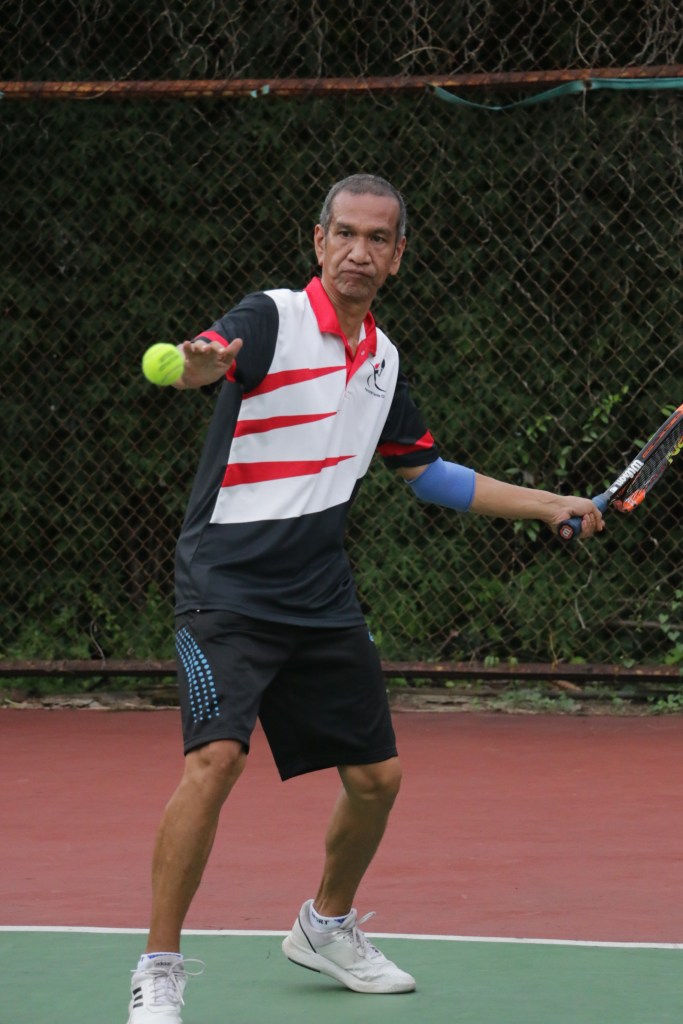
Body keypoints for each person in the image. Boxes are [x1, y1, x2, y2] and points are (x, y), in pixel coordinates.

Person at [126, 173, 603, 1023]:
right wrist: (198, 365)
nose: (357, 251)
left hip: (319, 597)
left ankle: (324, 926)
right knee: (216, 760)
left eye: (376, 238)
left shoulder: (381, 362)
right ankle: (158, 967)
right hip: (225, 589)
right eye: (343, 233)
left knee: (377, 779)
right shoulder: (270, 318)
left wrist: (546, 504)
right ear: (318, 242)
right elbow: (208, 357)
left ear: (397, 256)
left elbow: (428, 473)